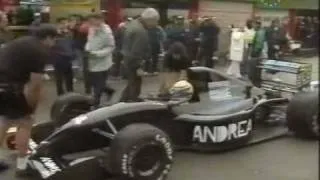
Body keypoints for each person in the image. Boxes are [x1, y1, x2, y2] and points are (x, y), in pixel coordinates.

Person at [0, 24, 57, 175]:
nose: (54, 44)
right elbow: (34, 86)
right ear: (49, 38)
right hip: (13, 89)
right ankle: (22, 166)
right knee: (24, 124)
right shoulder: (39, 51)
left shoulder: (19, 41)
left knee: (4, 121)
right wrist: (31, 108)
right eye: (54, 40)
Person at [119, 8, 160, 102]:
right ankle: (129, 106)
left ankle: (122, 102)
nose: (156, 24)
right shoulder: (140, 32)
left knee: (131, 84)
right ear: (150, 20)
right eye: (156, 21)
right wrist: (139, 67)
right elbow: (136, 51)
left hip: (127, 58)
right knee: (134, 86)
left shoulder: (133, 24)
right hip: (133, 62)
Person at [85, 13, 115, 107]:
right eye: (90, 21)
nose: (91, 23)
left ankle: (95, 104)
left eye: (93, 21)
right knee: (94, 82)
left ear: (100, 20)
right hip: (91, 60)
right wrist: (87, 49)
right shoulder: (91, 29)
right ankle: (109, 91)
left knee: (97, 85)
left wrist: (97, 54)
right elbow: (90, 41)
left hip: (103, 62)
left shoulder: (107, 32)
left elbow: (111, 47)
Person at [52, 17, 75, 95]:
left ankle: (70, 91)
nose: (65, 25)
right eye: (63, 23)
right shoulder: (54, 33)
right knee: (59, 77)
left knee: (69, 76)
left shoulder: (69, 32)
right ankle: (60, 93)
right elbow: (52, 44)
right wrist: (59, 33)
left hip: (68, 57)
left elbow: (71, 43)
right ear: (58, 24)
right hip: (58, 57)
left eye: (66, 23)